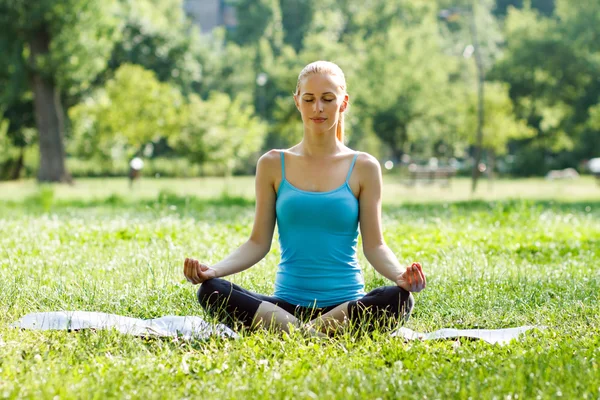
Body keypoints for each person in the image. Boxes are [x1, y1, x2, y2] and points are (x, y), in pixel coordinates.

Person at [183, 61, 426, 336]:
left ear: (343, 103)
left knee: (399, 299)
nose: (318, 108)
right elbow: (257, 243)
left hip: (345, 307)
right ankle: (313, 335)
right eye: (309, 99)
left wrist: (399, 276)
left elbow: (375, 246)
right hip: (284, 308)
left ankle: (295, 334)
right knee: (212, 291)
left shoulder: (364, 167)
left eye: (327, 99)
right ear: (297, 101)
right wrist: (213, 271)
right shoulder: (273, 164)